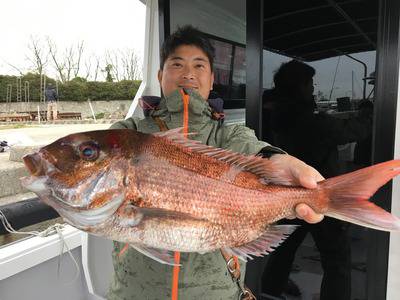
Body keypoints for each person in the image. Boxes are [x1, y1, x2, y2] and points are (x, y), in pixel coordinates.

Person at [107, 26, 324, 300]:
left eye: (199, 65)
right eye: (177, 64)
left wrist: (282, 162)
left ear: (211, 80)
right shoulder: (130, 133)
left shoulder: (229, 134)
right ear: (161, 76)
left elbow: (254, 150)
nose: (188, 73)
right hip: (133, 292)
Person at [257, 60, 372, 300]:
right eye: (310, 83)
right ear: (300, 87)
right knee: (337, 257)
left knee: (283, 250)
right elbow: (355, 130)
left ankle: (268, 292)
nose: (312, 87)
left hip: (286, 197)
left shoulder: (276, 116)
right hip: (320, 197)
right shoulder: (312, 122)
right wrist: (368, 111)